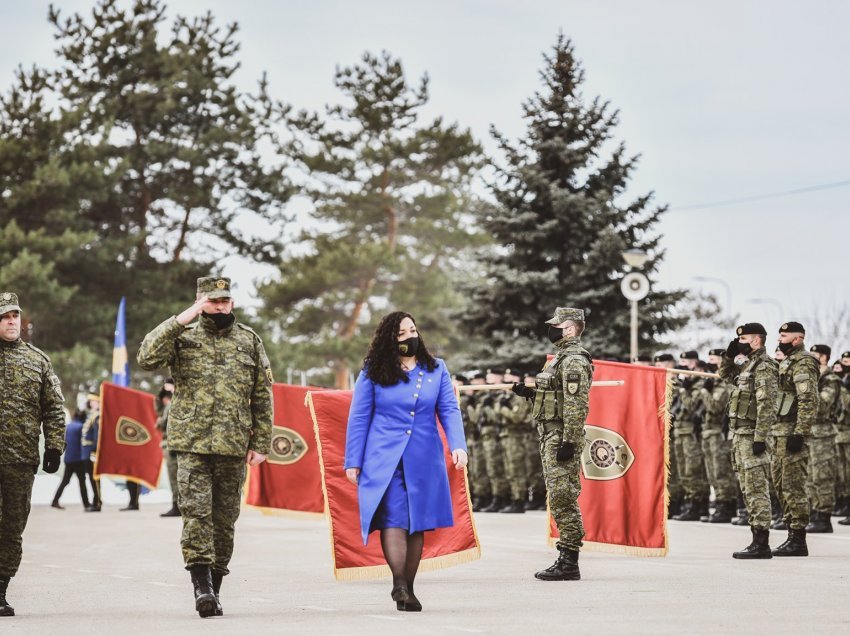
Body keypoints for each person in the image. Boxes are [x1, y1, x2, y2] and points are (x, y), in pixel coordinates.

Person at [137, 276, 273, 618]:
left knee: (224, 522)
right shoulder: (182, 337)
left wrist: (261, 441)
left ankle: (214, 587)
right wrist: (182, 318)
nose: (221, 306)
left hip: (232, 444)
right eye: (213, 300)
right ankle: (201, 587)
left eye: (225, 300)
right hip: (192, 444)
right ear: (200, 302)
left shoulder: (249, 341)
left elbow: (262, 395)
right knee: (197, 516)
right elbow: (146, 357)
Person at [344, 311, 468, 612]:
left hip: (424, 457)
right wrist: (353, 460)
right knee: (394, 518)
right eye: (402, 333)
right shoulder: (374, 370)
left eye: (413, 329)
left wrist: (458, 445)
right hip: (383, 457)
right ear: (390, 338)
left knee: (417, 524)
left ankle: (408, 589)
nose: (410, 336)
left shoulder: (436, 368)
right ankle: (399, 582)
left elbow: (448, 409)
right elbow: (359, 417)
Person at [512, 307, 591, 581]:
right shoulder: (559, 359)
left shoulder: (574, 361)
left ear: (569, 329)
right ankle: (567, 557)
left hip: (561, 436)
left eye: (557, 325)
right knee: (557, 494)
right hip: (550, 433)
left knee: (563, 495)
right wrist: (529, 394)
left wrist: (569, 440)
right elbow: (552, 398)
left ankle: (569, 560)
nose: (552, 329)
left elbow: (575, 404)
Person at [0, 292, 66, 617]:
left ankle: (0, 589)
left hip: (20, 459)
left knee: (12, 526)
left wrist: (55, 445)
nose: (11, 321)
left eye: (14, 315)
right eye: (4, 317)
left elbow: (54, 408)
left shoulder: (37, 360)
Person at [719, 323, 778, 559]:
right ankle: (756, 538)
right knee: (746, 487)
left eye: (743, 339)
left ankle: (761, 542)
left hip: (753, 435)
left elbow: (767, 405)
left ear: (756, 340)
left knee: (756, 488)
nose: (740, 342)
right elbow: (726, 375)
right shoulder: (747, 366)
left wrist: (761, 437)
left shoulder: (764, 367)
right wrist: (729, 355)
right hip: (740, 435)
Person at [771, 321, 819, 556]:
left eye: (785, 335)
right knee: (781, 486)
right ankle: (791, 533)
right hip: (779, 433)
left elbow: (808, 400)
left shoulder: (804, 361)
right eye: (779, 335)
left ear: (798, 338)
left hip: (792, 433)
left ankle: (798, 539)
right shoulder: (786, 362)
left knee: (793, 487)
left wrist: (800, 433)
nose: (780, 339)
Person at [805, 344, 841, 533]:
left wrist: (808, 388)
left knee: (823, 476)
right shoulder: (811, 378)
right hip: (809, 433)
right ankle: (815, 512)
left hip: (824, 433)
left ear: (824, 357)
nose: (810, 357)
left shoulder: (831, 380)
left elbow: (823, 405)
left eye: (814, 355)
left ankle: (824, 516)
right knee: (810, 477)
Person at [700, 349, 735, 523]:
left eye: (714, 361)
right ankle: (721, 504)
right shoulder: (713, 382)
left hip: (718, 432)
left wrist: (705, 391)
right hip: (708, 431)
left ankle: (725, 505)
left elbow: (715, 406)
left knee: (721, 471)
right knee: (712, 471)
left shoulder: (724, 383)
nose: (711, 365)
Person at [51, 408, 91, 510]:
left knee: (65, 481)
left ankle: (55, 500)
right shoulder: (81, 427)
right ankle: (86, 504)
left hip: (68, 459)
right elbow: (84, 442)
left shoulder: (68, 426)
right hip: (78, 459)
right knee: (82, 482)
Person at [156, 380, 180, 517]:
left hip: (172, 445)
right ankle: (177, 504)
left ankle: (177, 505)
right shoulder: (168, 405)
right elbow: (158, 408)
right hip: (171, 444)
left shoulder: (172, 405)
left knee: (175, 477)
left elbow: (163, 422)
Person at [81, 394, 101, 512]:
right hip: (86, 450)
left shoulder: (97, 416)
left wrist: (95, 450)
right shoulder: (91, 415)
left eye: (93, 401)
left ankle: (97, 502)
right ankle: (96, 500)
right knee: (91, 478)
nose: (91, 403)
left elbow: (97, 436)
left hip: (91, 451)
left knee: (95, 478)